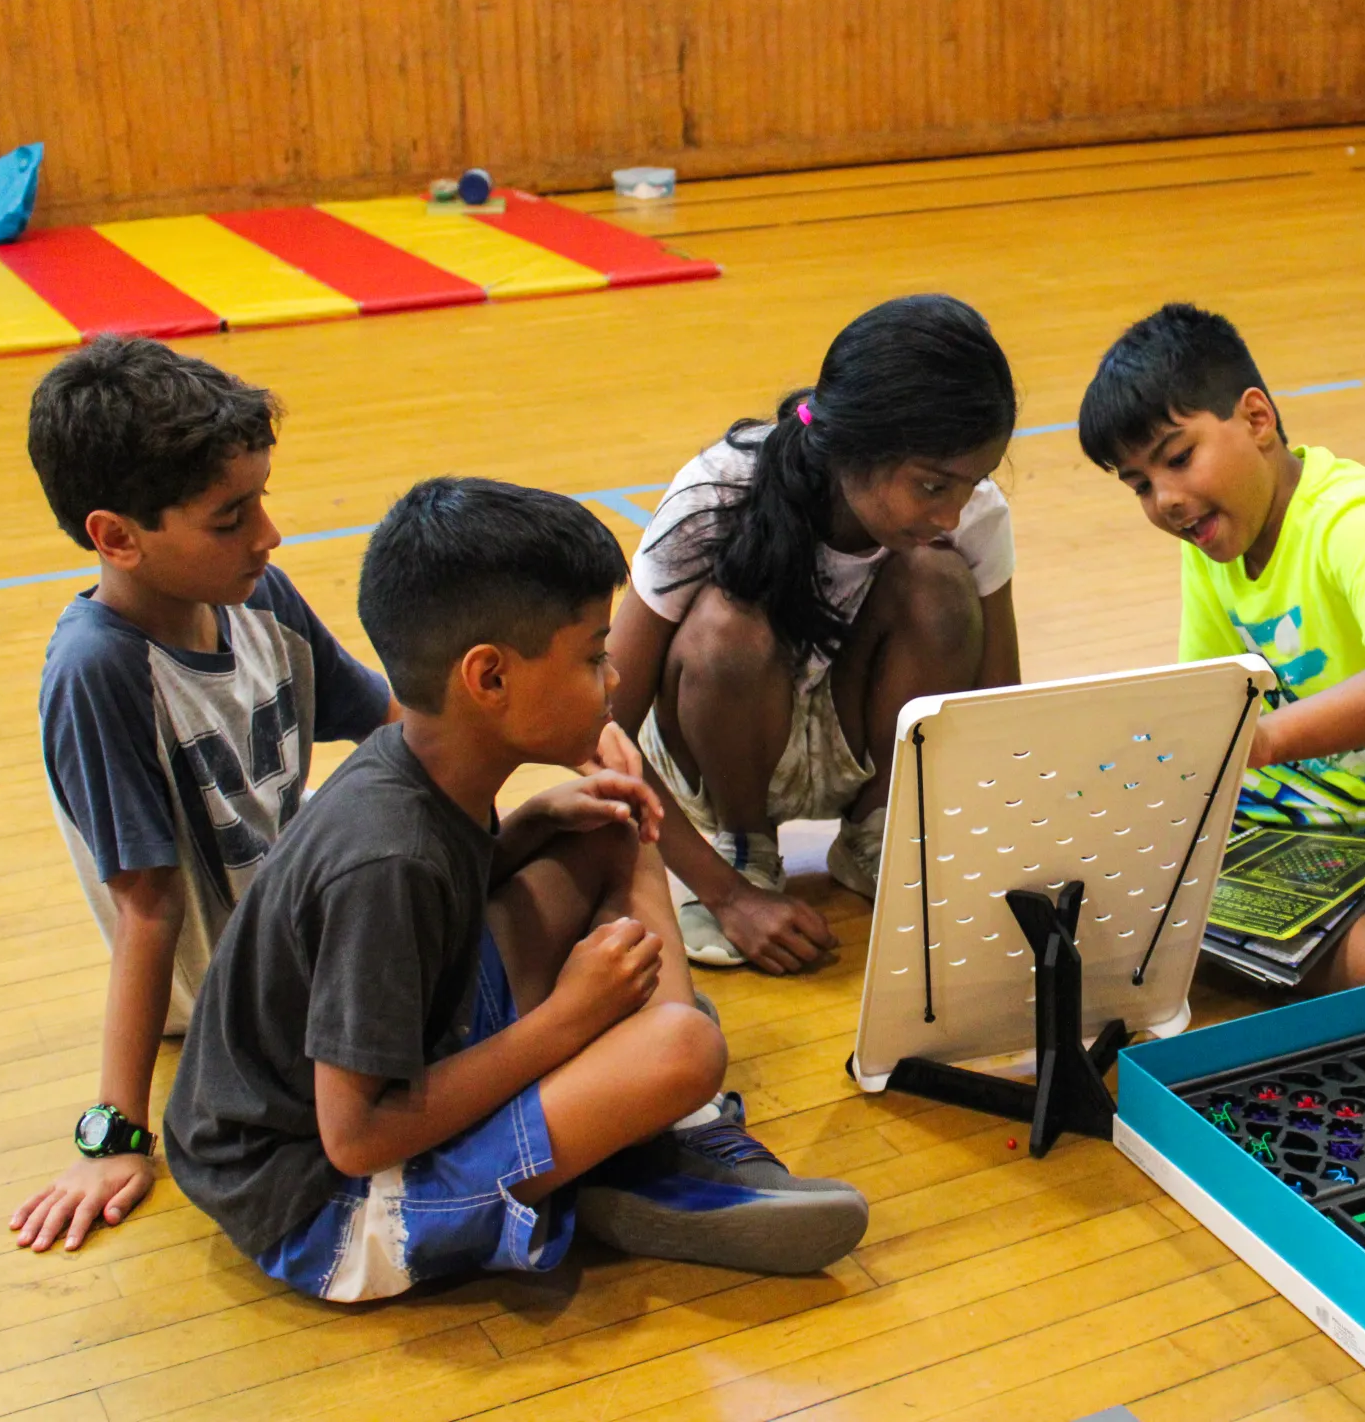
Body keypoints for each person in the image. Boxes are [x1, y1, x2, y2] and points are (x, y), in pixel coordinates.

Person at [164, 478, 868, 1300]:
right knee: (685, 1046)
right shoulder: (385, 859)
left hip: (396, 1073)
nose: (610, 680)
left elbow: (437, 908)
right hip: (328, 1205)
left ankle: (658, 1125)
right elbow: (355, 1138)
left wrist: (531, 826)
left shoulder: (421, 768)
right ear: (489, 678)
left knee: (615, 820)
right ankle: (637, 1127)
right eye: (590, 656)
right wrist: (573, 1016)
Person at [15, 338, 396, 1254]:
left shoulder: (256, 593)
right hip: (249, 995)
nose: (268, 533)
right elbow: (149, 911)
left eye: (261, 498)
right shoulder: (99, 669)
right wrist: (115, 1135)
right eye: (231, 516)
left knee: (566, 853)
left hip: (310, 922)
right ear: (117, 536)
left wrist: (571, 752)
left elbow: (388, 723)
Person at [1079, 303, 1365, 992]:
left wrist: (1265, 739)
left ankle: (1221, 948)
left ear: (1257, 419)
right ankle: (1264, 948)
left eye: (1178, 459)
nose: (1167, 501)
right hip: (1297, 803)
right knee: (1094, 866)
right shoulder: (1213, 544)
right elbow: (1213, 703)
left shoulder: (1357, 521)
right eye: (1141, 485)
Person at [608, 294, 1022, 973]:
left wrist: (1015, 847)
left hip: (857, 744)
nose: (951, 513)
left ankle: (878, 830)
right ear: (851, 450)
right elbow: (600, 727)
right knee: (727, 630)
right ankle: (744, 846)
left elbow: (1000, 701)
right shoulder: (717, 492)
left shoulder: (971, 516)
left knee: (940, 585)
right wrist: (729, 894)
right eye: (930, 485)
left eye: (971, 483)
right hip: (722, 755)